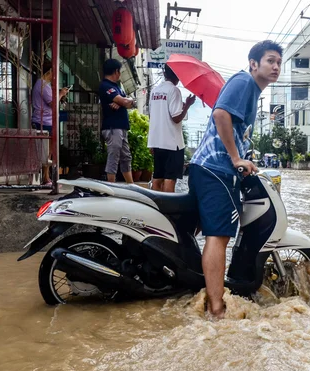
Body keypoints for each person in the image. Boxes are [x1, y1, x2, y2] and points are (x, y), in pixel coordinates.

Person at [189, 40, 283, 318]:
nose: (275, 66)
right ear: (254, 63)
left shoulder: (252, 92)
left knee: (205, 231)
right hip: (217, 169)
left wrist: (244, 159)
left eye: (278, 62)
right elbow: (220, 114)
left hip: (210, 168)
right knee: (219, 237)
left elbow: (236, 129)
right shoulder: (244, 82)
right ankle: (217, 309)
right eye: (270, 60)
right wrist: (235, 159)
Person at [147, 64, 195, 192]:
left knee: (157, 177)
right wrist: (187, 106)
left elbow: (153, 116)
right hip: (172, 143)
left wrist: (151, 141)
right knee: (170, 178)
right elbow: (176, 118)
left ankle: (156, 206)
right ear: (178, 75)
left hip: (157, 141)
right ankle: (167, 210)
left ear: (164, 74)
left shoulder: (154, 91)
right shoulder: (174, 90)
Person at [31, 59, 69, 186]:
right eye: (54, 72)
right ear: (50, 72)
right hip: (44, 121)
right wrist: (61, 93)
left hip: (46, 120)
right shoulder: (42, 85)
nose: (55, 76)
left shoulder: (42, 85)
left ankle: (46, 178)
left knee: (48, 150)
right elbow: (53, 103)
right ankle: (46, 178)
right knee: (46, 151)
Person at [99, 58, 136, 183]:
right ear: (116, 71)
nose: (120, 74)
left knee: (126, 156)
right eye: (119, 71)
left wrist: (122, 102)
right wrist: (124, 102)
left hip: (121, 127)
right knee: (114, 156)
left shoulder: (117, 87)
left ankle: (131, 186)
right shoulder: (106, 86)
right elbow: (126, 102)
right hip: (113, 128)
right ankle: (111, 186)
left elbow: (129, 103)